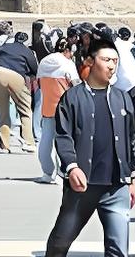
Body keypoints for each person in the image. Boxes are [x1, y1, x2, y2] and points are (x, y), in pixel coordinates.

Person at [46, 34, 135, 257]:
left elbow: (131, 139)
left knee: (118, 250)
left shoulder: (123, 98)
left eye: (115, 61)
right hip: (82, 185)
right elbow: (63, 136)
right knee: (60, 243)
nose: (111, 66)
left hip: (116, 185)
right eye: (106, 60)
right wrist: (72, 166)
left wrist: (133, 178)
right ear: (89, 61)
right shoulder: (72, 98)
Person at [37, 36, 81, 184]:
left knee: (46, 141)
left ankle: (47, 173)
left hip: (47, 106)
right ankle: (63, 172)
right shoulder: (67, 64)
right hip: (64, 108)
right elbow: (75, 85)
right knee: (64, 141)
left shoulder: (44, 62)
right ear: (68, 50)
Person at [0, 31, 40, 153]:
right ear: (26, 41)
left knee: (3, 111)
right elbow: (34, 68)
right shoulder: (27, 51)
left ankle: (4, 145)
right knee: (25, 109)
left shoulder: (4, 47)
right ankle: (28, 142)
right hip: (16, 74)